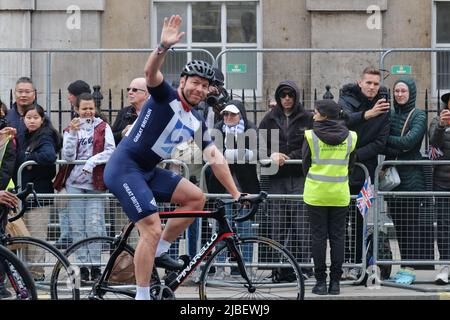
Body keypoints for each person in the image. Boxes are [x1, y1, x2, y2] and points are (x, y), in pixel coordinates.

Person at [103, 15, 241, 300]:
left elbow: (214, 157)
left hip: (148, 170)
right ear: (184, 81)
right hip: (124, 168)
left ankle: (161, 251)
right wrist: (163, 47)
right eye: (195, 82)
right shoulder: (165, 96)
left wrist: (236, 193)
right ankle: (143, 296)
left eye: (205, 86)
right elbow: (150, 73)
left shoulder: (197, 119)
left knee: (196, 198)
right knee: (151, 228)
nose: (199, 89)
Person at [338, 67, 390, 280]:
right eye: (368, 83)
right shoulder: (345, 100)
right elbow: (340, 123)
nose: (372, 87)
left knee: (360, 220)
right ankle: (341, 264)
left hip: (364, 172)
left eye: (376, 84)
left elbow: (380, 142)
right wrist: (366, 115)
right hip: (340, 172)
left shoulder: (384, 108)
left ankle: (358, 264)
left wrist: (356, 156)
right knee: (340, 221)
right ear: (360, 82)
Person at [258, 80, 314, 279]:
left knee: (301, 225)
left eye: (290, 94)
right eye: (283, 95)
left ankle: (304, 267)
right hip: (277, 179)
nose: (287, 98)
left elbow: (312, 145)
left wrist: (290, 156)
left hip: (299, 177)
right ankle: (278, 268)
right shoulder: (269, 118)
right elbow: (260, 145)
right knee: (278, 224)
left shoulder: (308, 118)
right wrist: (274, 155)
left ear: (296, 96)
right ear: (278, 97)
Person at [303, 99, 357, 295]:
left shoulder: (310, 135)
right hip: (340, 193)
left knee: (318, 238)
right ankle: (335, 283)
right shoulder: (351, 136)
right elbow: (351, 165)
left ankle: (320, 282)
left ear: (324, 115)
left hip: (316, 193)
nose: (313, 115)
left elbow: (305, 163)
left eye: (316, 112)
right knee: (338, 238)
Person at [60, 93, 115, 282]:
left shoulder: (103, 126)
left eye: (91, 108)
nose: (88, 111)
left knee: (94, 226)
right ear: (77, 110)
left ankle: (95, 266)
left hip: (96, 183)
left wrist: (91, 162)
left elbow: (110, 150)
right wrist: (73, 134)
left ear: (95, 108)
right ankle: (82, 266)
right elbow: (67, 157)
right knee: (77, 227)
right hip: (75, 183)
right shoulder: (71, 128)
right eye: (84, 108)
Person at [383, 76, 430, 285]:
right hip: (393, 180)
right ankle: (403, 266)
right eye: (396, 91)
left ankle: (410, 267)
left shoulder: (419, 114)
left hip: (412, 179)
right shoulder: (389, 114)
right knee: (399, 226)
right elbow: (386, 143)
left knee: (412, 226)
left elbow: (410, 142)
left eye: (403, 91)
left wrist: (385, 141)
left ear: (411, 93)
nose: (399, 94)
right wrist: (389, 143)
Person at [208, 101, 260, 265]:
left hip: (245, 186)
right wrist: (240, 153)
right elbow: (212, 154)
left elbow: (258, 151)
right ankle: (221, 265)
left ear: (241, 115)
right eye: (226, 114)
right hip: (221, 187)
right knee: (223, 227)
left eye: (232, 114)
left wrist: (230, 154)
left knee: (245, 228)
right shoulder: (217, 129)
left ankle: (244, 266)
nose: (228, 117)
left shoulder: (250, 129)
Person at [17, 104, 62, 280]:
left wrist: (29, 160)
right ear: (23, 119)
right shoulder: (24, 136)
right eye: (29, 117)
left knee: (36, 237)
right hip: (23, 195)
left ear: (42, 119)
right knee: (23, 237)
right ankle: (26, 274)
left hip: (39, 195)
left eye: (35, 117)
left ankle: (36, 275)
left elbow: (49, 156)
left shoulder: (45, 136)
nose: (32, 120)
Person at [54, 79, 92, 249]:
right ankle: (67, 236)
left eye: (70, 94)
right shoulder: (73, 123)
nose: (68, 97)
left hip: (92, 180)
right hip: (72, 178)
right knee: (69, 212)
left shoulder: (101, 124)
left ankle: (95, 261)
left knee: (93, 222)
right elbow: (68, 153)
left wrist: (90, 162)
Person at [428, 91, 450, 285]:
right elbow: (433, 143)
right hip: (443, 182)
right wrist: (442, 126)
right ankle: (445, 266)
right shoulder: (437, 121)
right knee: (443, 226)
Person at [6, 77, 40, 184]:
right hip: (10, 176)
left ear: (34, 94)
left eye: (27, 92)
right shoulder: (6, 117)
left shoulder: (42, 117)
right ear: (15, 93)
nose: (23, 95)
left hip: (36, 176)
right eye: (20, 92)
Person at [111, 78, 150, 146]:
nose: (130, 92)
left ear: (145, 94)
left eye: (134, 90)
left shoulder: (153, 112)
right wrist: (122, 133)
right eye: (128, 89)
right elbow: (111, 138)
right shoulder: (123, 112)